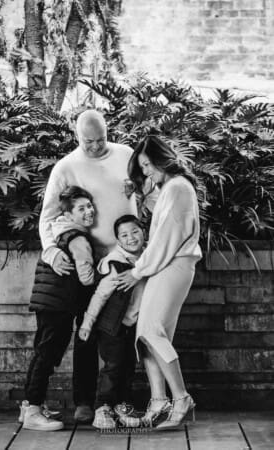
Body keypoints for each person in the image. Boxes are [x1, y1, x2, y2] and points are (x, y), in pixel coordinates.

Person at [39, 109, 137, 422]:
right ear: (76, 135)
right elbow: (48, 217)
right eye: (87, 141)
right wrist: (52, 252)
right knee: (87, 333)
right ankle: (84, 402)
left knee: (123, 334)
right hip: (89, 265)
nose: (94, 146)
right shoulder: (66, 166)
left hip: (124, 261)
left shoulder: (126, 155)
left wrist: (139, 191)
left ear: (108, 131)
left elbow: (150, 194)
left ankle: (119, 401)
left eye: (100, 140)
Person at [117, 135, 202, 430]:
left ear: (161, 158)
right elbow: (161, 216)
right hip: (168, 265)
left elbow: (166, 237)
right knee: (146, 334)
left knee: (152, 331)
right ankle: (158, 402)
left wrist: (138, 270)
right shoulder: (172, 188)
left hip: (173, 265)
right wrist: (140, 189)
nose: (146, 173)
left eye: (147, 165)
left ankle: (180, 399)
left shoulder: (178, 187)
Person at [21, 186, 96, 431]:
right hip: (59, 303)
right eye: (82, 208)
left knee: (43, 352)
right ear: (69, 214)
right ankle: (33, 410)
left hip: (50, 301)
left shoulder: (59, 231)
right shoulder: (78, 237)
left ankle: (29, 406)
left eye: (90, 206)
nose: (89, 211)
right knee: (48, 355)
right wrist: (100, 277)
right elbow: (85, 274)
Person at [78, 215, 146, 429]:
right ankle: (102, 408)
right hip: (111, 326)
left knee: (128, 366)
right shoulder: (115, 263)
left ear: (143, 232)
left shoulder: (149, 257)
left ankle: (122, 407)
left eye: (135, 231)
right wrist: (87, 323)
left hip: (131, 325)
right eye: (124, 235)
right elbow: (100, 295)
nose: (131, 238)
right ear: (118, 241)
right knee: (113, 366)